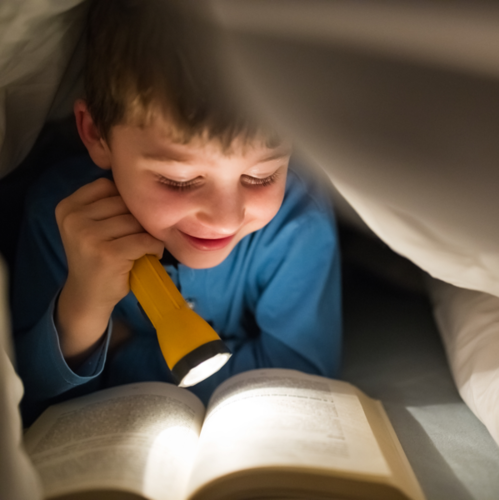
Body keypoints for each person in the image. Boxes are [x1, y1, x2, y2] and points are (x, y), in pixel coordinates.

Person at [12, 0, 341, 425]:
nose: (225, 218)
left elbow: (300, 380)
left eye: (261, 176)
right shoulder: (60, 219)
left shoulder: (298, 223)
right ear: (96, 134)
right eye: (180, 181)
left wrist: (123, 352)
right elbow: (28, 402)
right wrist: (82, 307)